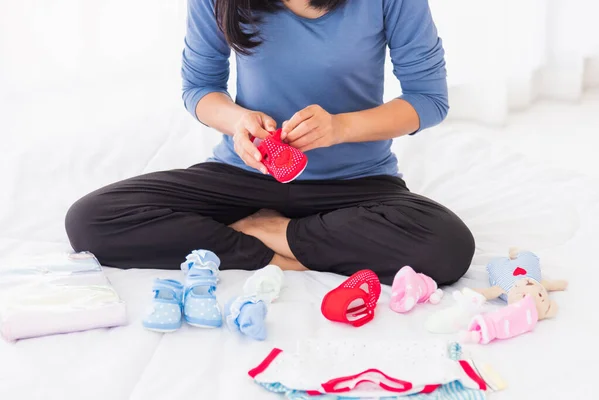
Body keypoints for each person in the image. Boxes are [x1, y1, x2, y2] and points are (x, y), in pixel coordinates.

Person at [65, 0, 475, 285]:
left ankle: (268, 229)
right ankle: (279, 252)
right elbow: (199, 87)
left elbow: (428, 99)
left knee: (448, 247)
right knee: (91, 220)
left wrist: (340, 128)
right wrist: (237, 121)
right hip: (243, 175)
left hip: (356, 183)